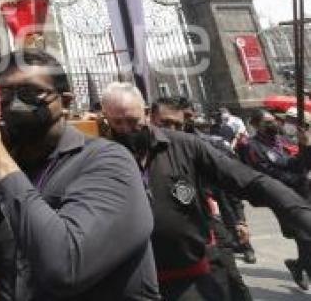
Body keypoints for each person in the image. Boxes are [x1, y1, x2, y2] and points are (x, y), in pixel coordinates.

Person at [0, 50, 159, 300]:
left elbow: (65, 267)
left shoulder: (108, 161)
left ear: (65, 102)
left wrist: (0, 158)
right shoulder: (3, 174)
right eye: (6, 94)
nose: (15, 104)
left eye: (30, 93)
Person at [103, 82, 311, 301]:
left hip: (190, 278)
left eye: (132, 121)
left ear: (145, 114)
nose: (126, 129)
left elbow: (246, 180)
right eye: (118, 122)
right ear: (106, 118)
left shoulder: (186, 146)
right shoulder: (100, 158)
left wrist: (297, 211)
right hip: (133, 283)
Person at [151, 97, 254, 301]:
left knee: (232, 284)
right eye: (165, 124)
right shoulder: (147, 153)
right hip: (179, 248)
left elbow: (231, 183)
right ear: (152, 119)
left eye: (179, 123)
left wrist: (240, 220)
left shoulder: (207, 145)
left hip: (212, 230)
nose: (172, 130)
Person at [244, 109, 311, 289]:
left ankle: (297, 266)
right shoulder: (253, 147)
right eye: (267, 122)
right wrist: (298, 178)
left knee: (306, 237)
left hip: (304, 193)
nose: (273, 124)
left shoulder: (282, 141)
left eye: (274, 120)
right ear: (256, 125)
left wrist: (306, 146)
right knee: (304, 235)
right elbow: (267, 173)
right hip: (283, 198)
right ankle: (301, 267)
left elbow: (299, 163)